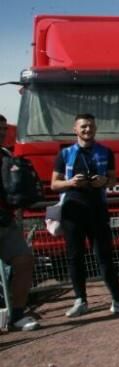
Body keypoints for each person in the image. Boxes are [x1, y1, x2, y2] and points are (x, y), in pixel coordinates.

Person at [51, 114, 119, 316]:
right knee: (75, 257)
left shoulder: (106, 152)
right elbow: (54, 184)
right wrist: (71, 183)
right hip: (72, 211)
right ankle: (80, 301)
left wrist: (104, 182)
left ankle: (118, 300)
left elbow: (113, 179)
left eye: (91, 126)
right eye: (83, 126)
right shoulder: (65, 154)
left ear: (95, 128)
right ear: (75, 129)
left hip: (97, 210)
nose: (87, 130)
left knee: (105, 255)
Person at [0, 114, 40, 331]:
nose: (2, 132)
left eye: (4, 128)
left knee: (24, 261)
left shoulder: (6, 154)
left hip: (6, 222)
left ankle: (16, 314)